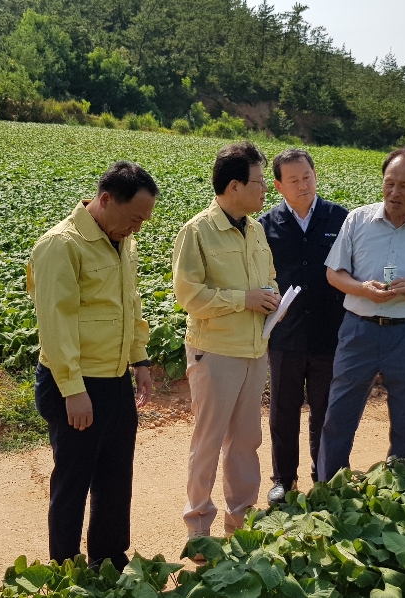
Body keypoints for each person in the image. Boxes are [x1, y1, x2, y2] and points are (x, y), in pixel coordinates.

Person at [26, 161, 156, 570]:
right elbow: (55, 321)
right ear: (104, 200)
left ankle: (109, 556)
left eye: (143, 222)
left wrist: (140, 359)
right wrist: (73, 389)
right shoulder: (60, 245)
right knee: (73, 479)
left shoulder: (123, 241)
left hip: (115, 377)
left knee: (116, 476)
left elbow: (130, 304)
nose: (136, 228)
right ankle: (66, 565)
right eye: (134, 218)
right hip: (76, 384)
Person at [318, 147, 405, 482]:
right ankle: (329, 487)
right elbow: (334, 274)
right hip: (359, 330)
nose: (394, 192)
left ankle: (398, 489)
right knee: (339, 412)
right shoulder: (358, 220)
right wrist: (363, 289)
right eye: (389, 183)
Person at [173, 140, 279, 539]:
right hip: (215, 352)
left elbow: (267, 280)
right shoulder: (198, 231)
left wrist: (272, 298)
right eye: (259, 182)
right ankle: (198, 531)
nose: (265, 190)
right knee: (208, 442)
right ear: (234, 186)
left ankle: (241, 526)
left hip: (254, 350)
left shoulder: (255, 231)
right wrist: (244, 300)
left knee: (246, 442)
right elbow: (190, 296)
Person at [257, 149, 348, 503]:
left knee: (326, 410)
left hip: (329, 331)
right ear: (278, 185)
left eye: (306, 176)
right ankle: (283, 479)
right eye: (293, 180)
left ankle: (325, 475)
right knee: (283, 410)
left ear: (314, 175)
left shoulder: (339, 219)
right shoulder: (265, 227)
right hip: (285, 333)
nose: (302, 185)